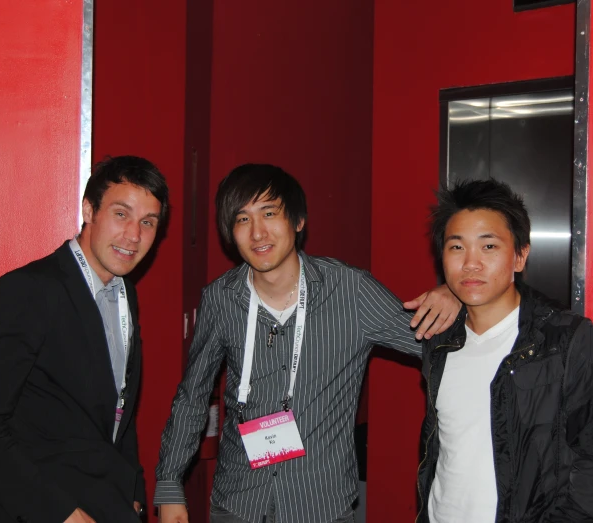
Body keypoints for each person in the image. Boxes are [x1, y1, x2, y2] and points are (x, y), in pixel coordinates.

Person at [154, 164, 461, 523]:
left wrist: (457, 296)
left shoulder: (351, 291)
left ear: (298, 221)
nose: (257, 233)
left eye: (270, 213)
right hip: (236, 504)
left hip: (319, 505)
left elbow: (438, 343)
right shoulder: (221, 299)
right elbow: (193, 395)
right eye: (242, 219)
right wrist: (170, 484)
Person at [0, 156, 169, 523]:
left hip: (109, 504)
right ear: (88, 209)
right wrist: (59, 513)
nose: (134, 235)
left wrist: (133, 492)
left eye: (148, 222)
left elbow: (120, 410)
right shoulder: (29, 290)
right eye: (121, 214)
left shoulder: (124, 294)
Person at [417, 179, 593, 522]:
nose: (471, 263)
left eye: (488, 247)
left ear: (519, 256)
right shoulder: (438, 339)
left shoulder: (564, 340)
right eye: (457, 248)